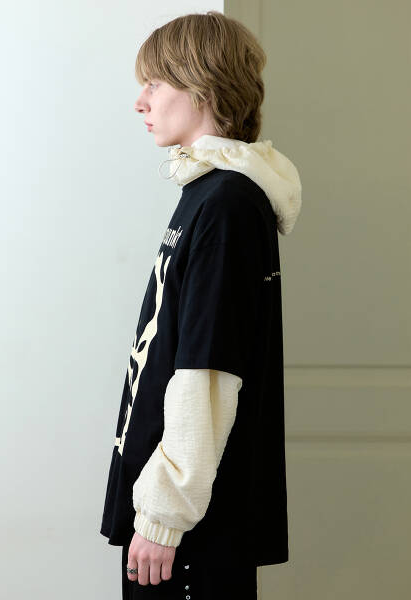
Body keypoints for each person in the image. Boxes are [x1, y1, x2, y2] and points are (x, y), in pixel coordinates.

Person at [100, 10, 302, 599]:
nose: (141, 101)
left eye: (154, 83)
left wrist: (164, 516)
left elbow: (208, 369)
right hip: (185, 518)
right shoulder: (208, 191)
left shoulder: (228, 205)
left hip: (192, 530)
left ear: (202, 87)